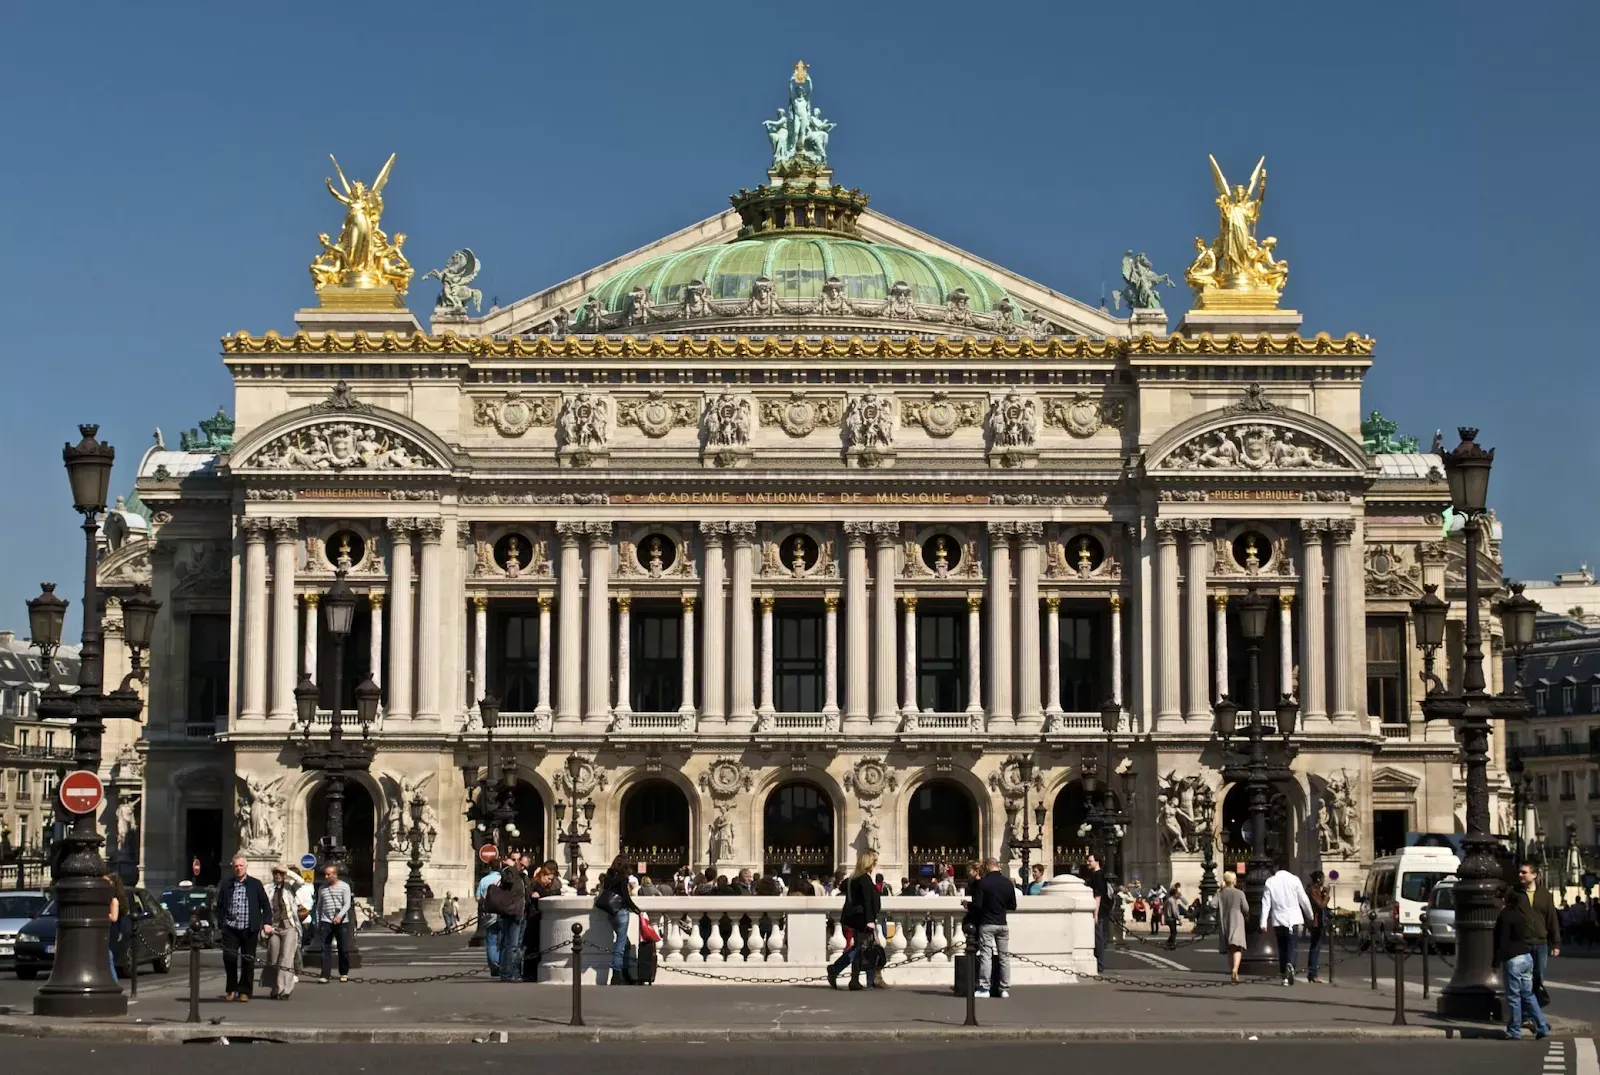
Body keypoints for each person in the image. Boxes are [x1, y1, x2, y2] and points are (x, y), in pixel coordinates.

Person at [216, 855, 273, 1000]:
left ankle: (245, 991)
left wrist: (266, 923)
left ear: (246, 867)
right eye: (236, 866)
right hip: (231, 928)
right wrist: (221, 923)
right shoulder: (227, 884)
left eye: (241, 866)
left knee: (248, 961)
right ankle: (231, 989)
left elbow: (265, 905)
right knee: (229, 958)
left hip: (249, 928)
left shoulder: (255, 884)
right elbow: (220, 905)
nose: (238, 868)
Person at [1497, 890, 1551, 1039]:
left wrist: (1496, 960)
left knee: (1514, 996)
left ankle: (1514, 1030)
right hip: (1526, 957)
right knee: (1528, 994)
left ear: (1504, 900)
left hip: (1513, 959)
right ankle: (1542, 1026)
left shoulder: (1504, 916)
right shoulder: (1520, 916)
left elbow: (1503, 940)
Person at [827, 850, 882, 990]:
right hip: (862, 918)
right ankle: (838, 971)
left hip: (853, 917)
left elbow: (843, 887)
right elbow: (867, 902)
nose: (875, 864)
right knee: (860, 949)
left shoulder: (852, 879)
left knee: (858, 948)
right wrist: (870, 921)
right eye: (874, 861)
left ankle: (853, 978)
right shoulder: (864, 879)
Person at [965, 856, 1017, 998]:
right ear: (998, 866)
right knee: (1004, 957)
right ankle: (1004, 988)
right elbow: (1013, 906)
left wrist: (967, 905)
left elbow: (978, 906)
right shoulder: (1007, 883)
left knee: (986, 956)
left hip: (987, 923)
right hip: (1002, 923)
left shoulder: (984, 883)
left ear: (987, 867)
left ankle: (985, 988)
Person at [1512, 861, 1561, 1005]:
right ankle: (1528, 1013)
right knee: (1523, 979)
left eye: (1524, 872)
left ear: (1534, 875)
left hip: (1540, 943)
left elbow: (1552, 919)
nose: (1520, 875)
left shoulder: (1545, 895)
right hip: (1522, 943)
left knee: (1538, 977)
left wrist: (1556, 943)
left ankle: (1533, 1008)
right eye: (1520, 872)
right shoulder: (1515, 893)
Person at [1259, 864, 1313, 986]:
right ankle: (1291, 964)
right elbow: (1303, 899)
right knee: (1292, 945)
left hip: (1278, 919)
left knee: (1282, 947)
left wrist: (1263, 922)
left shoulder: (1270, 882)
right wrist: (1310, 914)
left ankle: (1284, 975)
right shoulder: (1294, 880)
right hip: (1293, 918)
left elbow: (1266, 903)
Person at [595, 855, 641, 985]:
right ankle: (616, 974)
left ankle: (626, 971)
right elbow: (626, 898)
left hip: (611, 913)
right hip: (621, 912)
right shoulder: (623, 878)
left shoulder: (608, 877)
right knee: (620, 944)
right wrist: (636, 909)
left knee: (625, 942)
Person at [265, 865, 305, 999]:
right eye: (276, 873)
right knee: (274, 957)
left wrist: (287, 871)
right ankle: (275, 987)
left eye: (280, 874)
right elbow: (264, 907)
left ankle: (285, 990)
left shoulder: (290, 886)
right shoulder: (268, 888)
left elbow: (301, 881)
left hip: (289, 925)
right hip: (274, 926)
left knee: (287, 958)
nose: (278, 875)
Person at [314, 863, 354, 983]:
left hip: (341, 921)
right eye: (325, 874)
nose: (326, 877)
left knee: (343, 948)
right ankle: (325, 974)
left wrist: (339, 915)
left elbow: (347, 903)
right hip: (326, 920)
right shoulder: (322, 888)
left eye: (328, 874)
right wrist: (317, 920)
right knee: (325, 948)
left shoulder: (344, 886)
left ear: (335, 875)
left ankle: (344, 972)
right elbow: (319, 905)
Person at [494, 853, 529, 983]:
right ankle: (507, 973)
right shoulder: (508, 873)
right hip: (512, 913)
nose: (517, 862)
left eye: (518, 860)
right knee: (512, 945)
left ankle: (515, 972)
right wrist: (512, 868)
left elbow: (527, 893)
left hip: (522, 914)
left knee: (518, 946)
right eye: (513, 860)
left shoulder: (522, 877)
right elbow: (508, 882)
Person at [1218, 871, 1248, 983]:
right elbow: (1246, 908)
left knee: (1230, 949)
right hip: (1238, 921)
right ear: (1234, 880)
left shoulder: (1220, 893)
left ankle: (1232, 969)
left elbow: (1212, 905)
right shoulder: (1239, 893)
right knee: (1238, 947)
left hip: (1225, 922)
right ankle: (1235, 969)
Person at [1081, 855, 1109, 971]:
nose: (1087, 862)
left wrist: (1096, 913)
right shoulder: (1097, 875)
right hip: (1100, 910)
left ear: (1097, 862)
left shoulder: (1098, 875)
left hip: (1099, 910)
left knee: (1098, 938)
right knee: (1097, 937)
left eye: (1090, 861)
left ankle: (1100, 965)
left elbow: (1098, 895)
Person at [476, 864, 502, 976]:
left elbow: (477, 897)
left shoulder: (484, 880)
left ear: (490, 868)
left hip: (489, 913)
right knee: (502, 941)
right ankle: (500, 963)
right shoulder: (502, 879)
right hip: (502, 912)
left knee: (491, 941)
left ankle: (493, 965)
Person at [1305, 870, 1330, 983]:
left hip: (1318, 921)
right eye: (1323, 879)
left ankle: (1312, 973)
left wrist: (1323, 894)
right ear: (1319, 880)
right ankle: (1313, 973)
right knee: (1315, 947)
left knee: (1315, 947)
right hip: (1316, 922)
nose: (1324, 881)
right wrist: (1327, 895)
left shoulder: (1315, 890)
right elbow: (1321, 905)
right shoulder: (1313, 890)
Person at [106, 872, 130, 982]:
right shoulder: (111, 898)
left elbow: (114, 917)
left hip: (112, 931)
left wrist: (103, 914)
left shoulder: (114, 900)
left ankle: (115, 982)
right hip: (110, 931)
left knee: (108, 955)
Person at [1163, 884, 1186, 950]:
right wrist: (1179, 919)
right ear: (1174, 894)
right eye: (1177, 894)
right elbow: (1174, 911)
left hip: (1168, 918)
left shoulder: (1169, 900)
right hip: (1171, 918)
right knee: (1173, 932)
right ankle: (1169, 944)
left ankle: (1170, 944)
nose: (1178, 895)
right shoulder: (1172, 901)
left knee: (1173, 932)